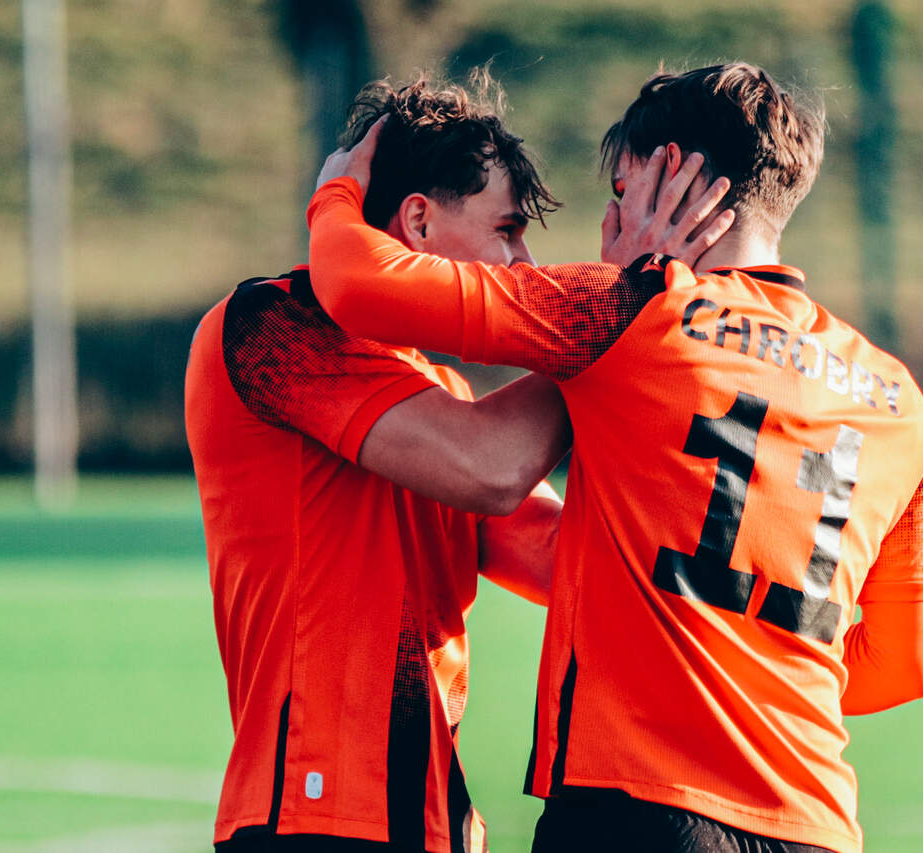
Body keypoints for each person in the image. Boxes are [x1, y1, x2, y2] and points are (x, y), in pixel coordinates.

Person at [306, 63, 923, 853]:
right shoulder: (898, 399)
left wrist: (336, 190)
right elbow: (913, 661)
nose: (611, 220)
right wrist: (758, 681)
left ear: (666, 172)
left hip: (639, 810)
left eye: (621, 189)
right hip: (814, 822)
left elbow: (354, 284)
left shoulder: (629, 306)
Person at [186, 75, 571, 853]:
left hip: (433, 824)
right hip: (315, 817)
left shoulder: (444, 396)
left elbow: (571, 556)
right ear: (418, 221)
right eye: (506, 230)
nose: (527, 265)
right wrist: (621, 330)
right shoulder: (271, 325)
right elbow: (491, 465)